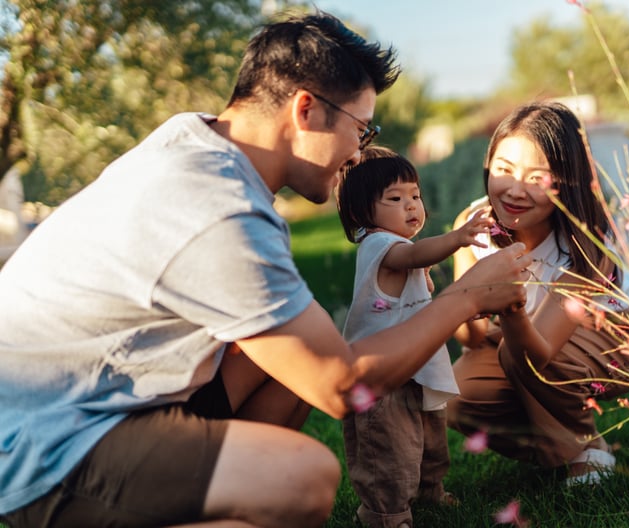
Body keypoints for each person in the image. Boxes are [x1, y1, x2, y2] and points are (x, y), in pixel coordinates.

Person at [0, 11, 533, 528]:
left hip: (112, 394)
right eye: (361, 130)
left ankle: (211, 495)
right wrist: (466, 297)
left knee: (291, 354)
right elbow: (342, 386)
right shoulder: (217, 204)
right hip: (50, 442)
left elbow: (317, 362)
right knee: (303, 478)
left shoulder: (197, 141)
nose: (357, 154)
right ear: (305, 110)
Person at [447, 101, 629, 487]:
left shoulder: (587, 249)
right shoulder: (473, 228)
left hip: (610, 343)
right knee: (457, 397)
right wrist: (469, 300)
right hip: (521, 340)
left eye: (537, 178)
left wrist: (510, 303)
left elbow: (539, 352)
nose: (515, 190)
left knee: (518, 352)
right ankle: (569, 447)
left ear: (566, 181)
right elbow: (469, 338)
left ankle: (584, 447)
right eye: (503, 170)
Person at [336, 146, 493, 528]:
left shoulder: (400, 246)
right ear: (361, 213)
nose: (411, 206)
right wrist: (457, 238)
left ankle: (429, 491)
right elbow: (416, 255)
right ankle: (385, 513)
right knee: (390, 451)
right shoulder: (378, 243)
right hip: (384, 376)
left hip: (415, 367)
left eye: (415, 196)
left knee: (428, 442)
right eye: (395, 198)